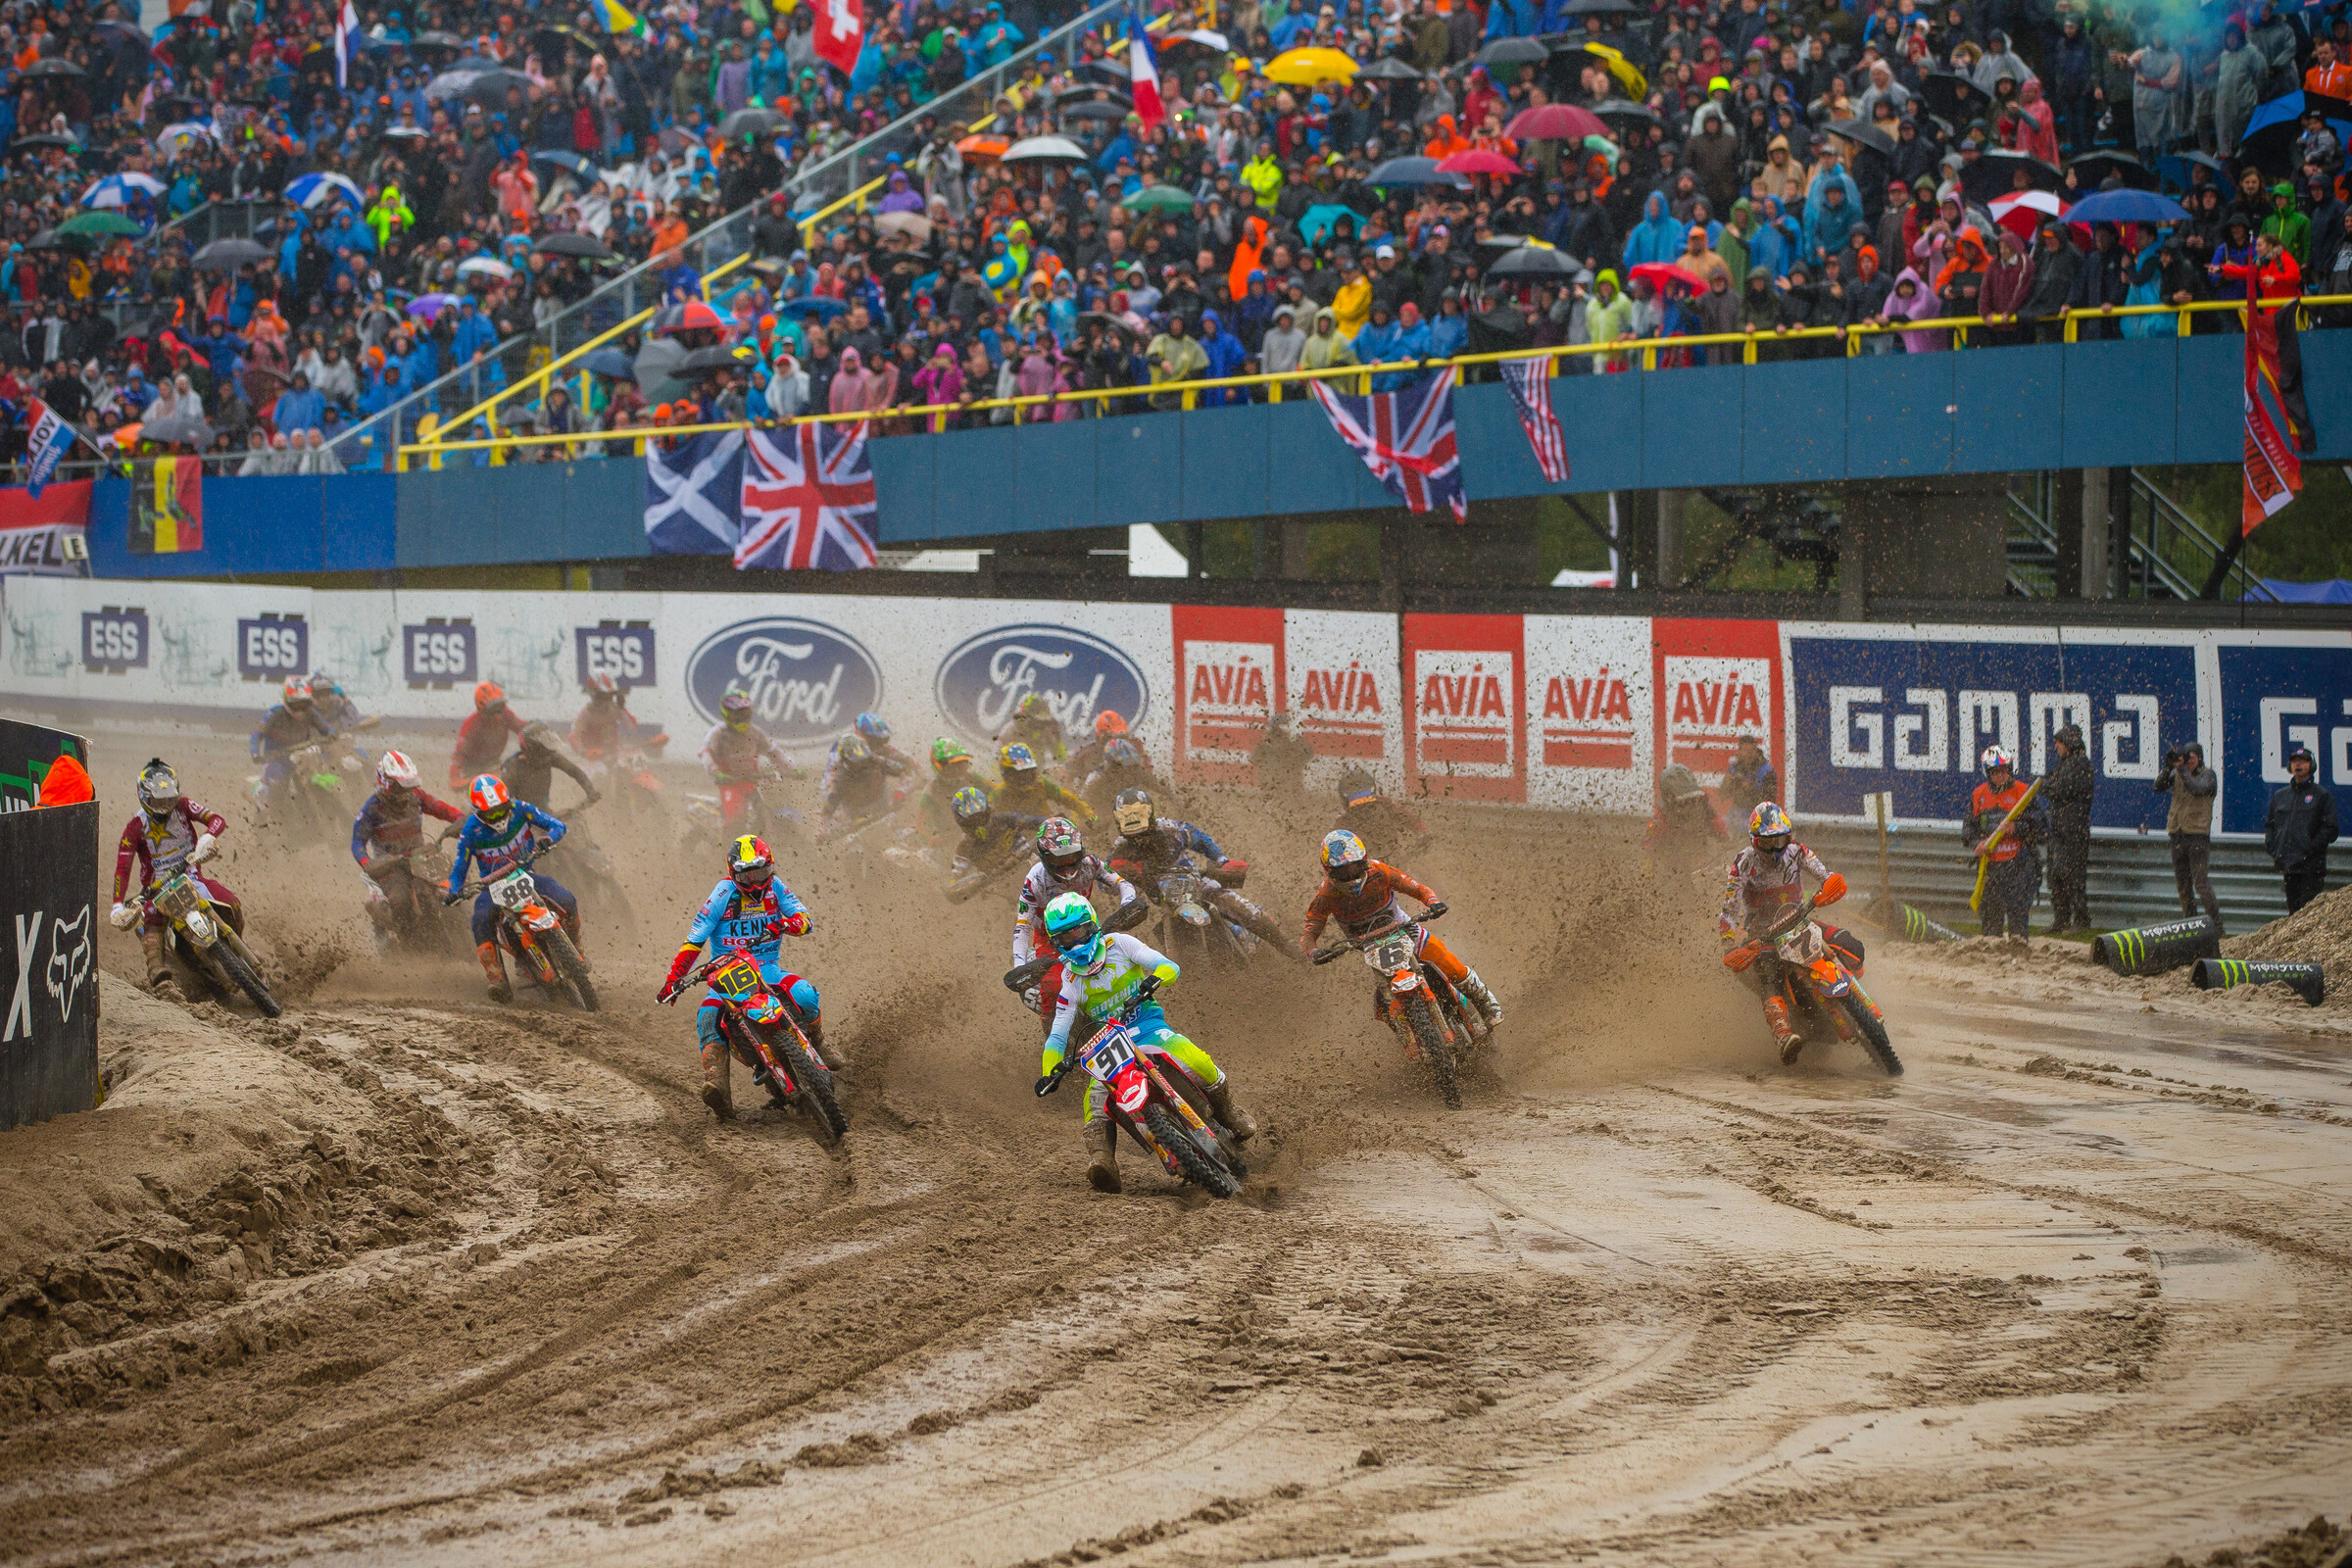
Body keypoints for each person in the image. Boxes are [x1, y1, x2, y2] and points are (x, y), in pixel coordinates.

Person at [1035, 892, 1258, 1193]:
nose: (1075, 943)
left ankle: (1229, 1111)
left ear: (1093, 925)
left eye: (1079, 932)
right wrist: (1050, 1071)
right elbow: (1058, 1035)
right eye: (1065, 938)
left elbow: (1167, 966)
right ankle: (1102, 1160)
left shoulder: (1120, 944)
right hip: (1108, 1044)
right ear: (1055, 943)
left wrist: (1155, 979)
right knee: (1096, 1096)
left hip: (1146, 1026)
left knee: (1191, 1056)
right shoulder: (1070, 981)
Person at [658, 834, 834, 1122]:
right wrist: (674, 979)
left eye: (760, 872)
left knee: (804, 993)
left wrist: (784, 924)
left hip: (767, 968)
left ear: (770, 867)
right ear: (733, 873)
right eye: (746, 875)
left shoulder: (776, 888)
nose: (754, 882)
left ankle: (820, 1042)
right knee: (706, 1016)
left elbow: (806, 922)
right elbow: (694, 939)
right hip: (728, 972)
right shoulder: (722, 894)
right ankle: (718, 1085)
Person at [1302, 828, 1502, 1032]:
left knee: (1450, 965)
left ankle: (1487, 1003)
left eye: (1354, 868)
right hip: (1371, 946)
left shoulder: (1379, 871)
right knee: (1384, 1003)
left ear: (1363, 862)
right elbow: (1310, 932)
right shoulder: (1326, 895)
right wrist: (1314, 952)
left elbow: (1417, 888)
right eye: (1343, 871)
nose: (1350, 875)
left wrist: (1433, 902)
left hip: (1407, 931)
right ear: (1330, 871)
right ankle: (1408, 1037)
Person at [1717, 802, 1861, 1061]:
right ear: (1754, 841)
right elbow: (1728, 911)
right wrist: (1729, 943)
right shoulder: (1742, 863)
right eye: (1767, 843)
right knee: (1768, 970)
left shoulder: (1797, 851)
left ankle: (1858, 1000)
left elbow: (1824, 874)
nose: (1775, 849)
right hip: (1762, 935)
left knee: (1851, 944)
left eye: (1780, 840)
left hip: (1800, 921)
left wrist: (1830, 885)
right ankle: (1782, 1035)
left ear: (1789, 837)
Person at [110, 760, 242, 999]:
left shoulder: (182, 805)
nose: (163, 806)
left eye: (168, 799)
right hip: (157, 891)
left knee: (232, 902)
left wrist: (208, 837)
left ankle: (239, 948)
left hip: (191, 876)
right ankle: (159, 976)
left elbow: (216, 819)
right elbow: (123, 867)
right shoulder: (135, 826)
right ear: (143, 796)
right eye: (157, 801)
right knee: (149, 922)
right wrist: (117, 904)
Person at [1109, 788, 1297, 953]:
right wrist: (1126, 877)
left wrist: (1222, 861)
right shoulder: (1121, 848)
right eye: (1126, 816)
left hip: (1195, 879)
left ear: (1149, 812)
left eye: (1137, 814)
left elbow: (1201, 839)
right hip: (1162, 893)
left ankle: (1289, 947)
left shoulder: (1169, 829)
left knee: (1240, 907)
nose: (1133, 821)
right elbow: (1107, 881)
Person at [445, 774, 579, 1003]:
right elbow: (460, 866)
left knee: (566, 898)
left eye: (501, 809)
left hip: (526, 874)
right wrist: (455, 890)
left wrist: (547, 838)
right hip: (492, 886)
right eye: (491, 813)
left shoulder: (522, 809)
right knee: (479, 919)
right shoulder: (470, 831)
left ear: (508, 802)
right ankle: (496, 978)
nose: (498, 816)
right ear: (478, 812)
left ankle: (576, 947)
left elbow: (557, 824)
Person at [1011, 817, 1144, 1031]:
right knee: (1053, 987)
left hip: (1088, 930)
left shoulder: (1090, 864)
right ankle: (1054, 1041)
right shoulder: (1035, 880)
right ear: (1046, 857)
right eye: (1059, 860)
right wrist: (1020, 967)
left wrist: (1127, 906)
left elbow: (1122, 884)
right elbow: (1022, 927)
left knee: (1121, 962)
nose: (1067, 865)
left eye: (1072, 857)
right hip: (1049, 939)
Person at [351, 750, 465, 946]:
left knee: (454, 889)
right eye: (401, 787)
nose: (406, 793)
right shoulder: (371, 808)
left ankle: (465, 937)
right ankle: (408, 943)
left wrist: (461, 820)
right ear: (386, 783)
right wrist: (368, 863)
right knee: (400, 900)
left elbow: (442, 809)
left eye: (409, 786)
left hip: (422, 859)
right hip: (391, 867)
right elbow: (357, 843)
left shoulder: (417, 796)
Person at [1964, 747, 2046, 942]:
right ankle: (1992, 962)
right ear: (1988, 773)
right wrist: (1977, 843)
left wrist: (2016, 828)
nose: (2002, 776)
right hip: (1991, 868)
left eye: (2005, 771)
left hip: (2019, 865)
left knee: (2018, 918)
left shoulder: (2023, 792)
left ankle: (2019, 956)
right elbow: (1968, 830)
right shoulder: (1978, 795)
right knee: (1991, 921)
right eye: (1996, 772)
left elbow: (2042, 828)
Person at [701, 686, 801, 836]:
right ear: (727, 714)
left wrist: (791, 769)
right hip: (730, 783)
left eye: (745, 713)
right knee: (736, 820)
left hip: (752, 782)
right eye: (738, 715)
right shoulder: (718, 733)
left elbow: (774, 752)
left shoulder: (755, 732)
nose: (742, 718)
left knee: (766, 811)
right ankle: (726, 853)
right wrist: (716, 773)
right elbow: (706, 754)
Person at [2155, 741, 2223, 930]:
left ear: (2199, 758)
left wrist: (2182, 770)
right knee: (2182, 884)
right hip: (2177, 834)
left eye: (2191, 758)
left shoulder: (2208, 775)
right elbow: (2158, 786)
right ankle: (2190, 924)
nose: (2188, 762)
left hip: (2197, 836)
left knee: (2200, 883)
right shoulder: (2177, 773)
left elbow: (2197, 788)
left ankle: (2217, 926)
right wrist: (2168, 767)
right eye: (2185, 758)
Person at [2265, 746, 2337, 914]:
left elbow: (2331, 829)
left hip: (2311, 868)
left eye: (2303, 761)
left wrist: (2309, 849)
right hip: (2289, 867)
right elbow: (2270, 825)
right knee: (2294, 914)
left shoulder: (2321, 795)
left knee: (2309, 915)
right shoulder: (2280, 796)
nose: (2298, 765)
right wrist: (2274, 849)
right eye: (2294, 761)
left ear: (2311, 765)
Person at [2043, 724, 2095, 935]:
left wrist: (2052, 787)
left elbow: (2060, 789)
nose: (2056, 747)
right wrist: (2051, 786)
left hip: (2074, 830)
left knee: (2072, 876)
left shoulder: (2081, 764)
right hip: (2058, 830)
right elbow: (2047, 784)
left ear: (2069, 744)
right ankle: (2061, 919)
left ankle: (2081, 920)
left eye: (2059, 742)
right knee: (2056, 875)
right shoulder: (2063, 764)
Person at [250, 675, 335, 803]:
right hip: (276, 759)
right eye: (296, 704)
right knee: (276, 785)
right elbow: (257, 735)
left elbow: (325, 728)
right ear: (287, 701)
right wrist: (255, 753)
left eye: (304, 703)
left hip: (301, 759)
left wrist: (332, 734)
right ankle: (264, 812)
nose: (301, 708)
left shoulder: (311, 713)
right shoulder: (275, 713)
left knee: (321, 780)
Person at [1645, 762, 1728, 876]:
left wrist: (1721, 833)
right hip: (1672, 866)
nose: (1690, 805)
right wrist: (1649, 876)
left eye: (1692, 799)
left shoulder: (1702, 802)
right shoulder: (1661, 818)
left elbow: (1722, 832)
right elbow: (1648, 848)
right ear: (1669, 798)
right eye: (1684, 802)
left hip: (1701, 860)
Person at [948, 786, 1046, 881]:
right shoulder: (965, 846)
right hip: (1002, 884)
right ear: (962, 822)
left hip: (1032, 863)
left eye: (981, 818)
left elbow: (1034, 821)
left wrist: (1053, 823)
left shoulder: (1004, 819)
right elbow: (956, 878)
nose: (978, 824)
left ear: (988, 812)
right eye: (971, 822)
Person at [1333, 771, 1431, 864]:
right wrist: (1421, 833)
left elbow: (1410, 820)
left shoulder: (1342, 822)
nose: (1363, 808)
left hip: (1382, 864)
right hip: (1375, 865)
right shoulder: (1385, 804)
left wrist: (1421, 833)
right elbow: (1411, 820)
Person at [500, 723, 600, 812]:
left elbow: (574, 771)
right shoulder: (512, 767)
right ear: (533, 749)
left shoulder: (550, 756)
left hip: (543, 810)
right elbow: (504, 798)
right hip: (520, 814)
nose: (546, 757)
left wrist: (590, 791)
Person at [819, 730, 910, 824]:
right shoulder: (839, 776)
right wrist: (822, 827)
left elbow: (905, 771)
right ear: (845, 759)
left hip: (881, 804)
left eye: (863, 760)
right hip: (855, 813)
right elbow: (830, 803)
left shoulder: (876, 760)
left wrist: (900, 792)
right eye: (856, 762)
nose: (861, 765)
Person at [450, 681, 528, 789]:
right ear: (482, 710)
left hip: (495, 764)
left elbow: (523, 729)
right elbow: (458, 757)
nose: (498, 715)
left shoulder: (506, 714)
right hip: (473, 770)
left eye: (500, 708)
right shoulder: (471, 726)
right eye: (493, 709)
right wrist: (456, 778)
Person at [993, 741, 1095, 822]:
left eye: (1030, 771)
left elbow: (1069, 799)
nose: (1027, 777)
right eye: (1021, 773)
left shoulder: (1041, 784)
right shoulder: (998, 795)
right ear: (1008, 773)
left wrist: (1089, 815)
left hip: (1046, 836)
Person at [920, 737, 985, 840]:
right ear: (939, 766)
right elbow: (922, 826)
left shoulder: (971, 778)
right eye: (954, 766)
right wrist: (933, 838)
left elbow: (996, 792)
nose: (959, 770)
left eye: (962, 764)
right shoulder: (931, 791)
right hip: (947, 840)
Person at [996, 691, 1068, 762]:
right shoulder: (1011, 729)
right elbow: (995, 757)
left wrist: (1057, 737)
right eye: (1038, 719)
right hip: (1009, 771)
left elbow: (1062, 758)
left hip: (1035, 772)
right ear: (1026, 717)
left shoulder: (1046, 731)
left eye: (1044, 720)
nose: (1041, 724)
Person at [1723, 735, 1778, 821]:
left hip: (1760, 815)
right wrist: (1727, 784)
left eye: (1752, 750)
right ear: (1739, 751)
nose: (1749, 754)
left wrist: (1750, 789)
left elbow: (1770, 801)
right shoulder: (1734, 768)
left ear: (1756, 751)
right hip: (1737, 814)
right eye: (1745, 750)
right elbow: (1723, 795)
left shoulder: (1766, 771)